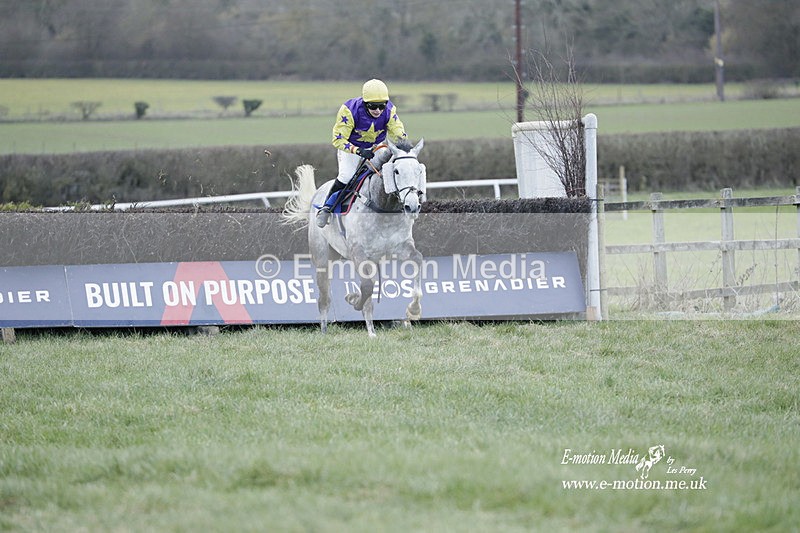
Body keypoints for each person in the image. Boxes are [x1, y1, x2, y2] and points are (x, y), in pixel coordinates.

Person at [316, 78, 408, 228]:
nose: (378, 110)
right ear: (365, 103)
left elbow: (399, 133)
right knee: (347, 176)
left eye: (381, 106)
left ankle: (403, 201)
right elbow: (337, 139)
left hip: (376, 146)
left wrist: (404, 146)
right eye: (373, 106)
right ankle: (327, 208)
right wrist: (357, 150)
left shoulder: (390, 110)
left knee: (392, 168)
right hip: (351, 148)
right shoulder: (349, 110)